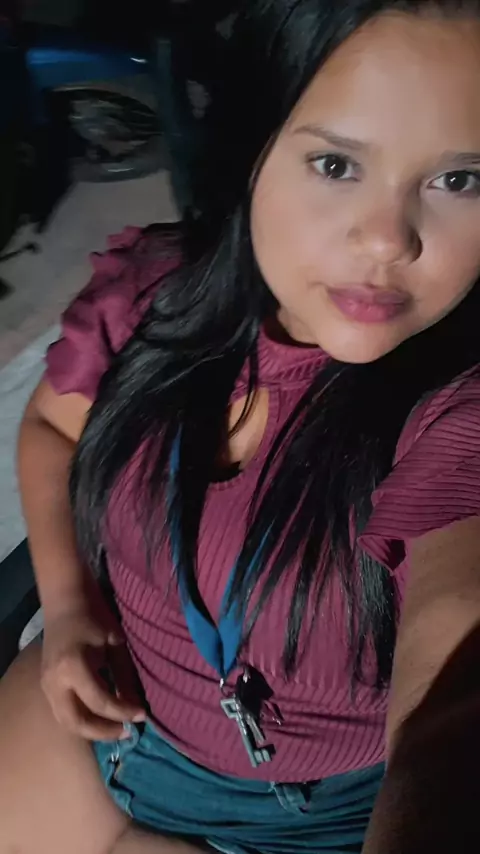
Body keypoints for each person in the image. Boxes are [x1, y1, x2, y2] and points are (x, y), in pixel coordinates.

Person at [3, 1, 480, 852]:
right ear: (253, 148)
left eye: (460, 181)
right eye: (336, 164)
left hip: (317, 821)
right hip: (111, 728)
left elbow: (454, 681)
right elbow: (52, 429)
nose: (386, 241)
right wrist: (70, 608)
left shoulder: (459, 409)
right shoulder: (155, 296)